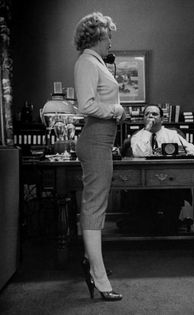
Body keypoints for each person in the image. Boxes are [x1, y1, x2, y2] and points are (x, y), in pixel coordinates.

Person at [73, 12, 125, 301]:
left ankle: (91, 262)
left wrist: (114, 110)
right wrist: (116, 111)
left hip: (102, 141)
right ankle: (99, 276)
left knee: (95, 205)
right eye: (108, 37)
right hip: (95, 140)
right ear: (96, 37)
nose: (110, 42)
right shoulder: (86, 62)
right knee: (94, 207)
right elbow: (86, 105)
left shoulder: (96, 62)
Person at [118, 104, 194, 235]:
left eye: (154, 114)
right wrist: (147, 130)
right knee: (145, 222)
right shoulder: (137, 136)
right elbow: (140, 153)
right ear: (143, 118)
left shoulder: (172, 135)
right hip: (145, 184)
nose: (150, 116)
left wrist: (181, 151)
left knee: (170, 219)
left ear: (162, 119)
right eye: (147, 114)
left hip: (169, 183)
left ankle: (169, 227)